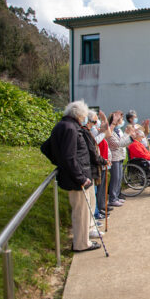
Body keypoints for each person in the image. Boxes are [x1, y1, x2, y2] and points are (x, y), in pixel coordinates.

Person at [41, 100, 99, 252]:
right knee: (81, 213)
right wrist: (80, 177)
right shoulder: (71, 128)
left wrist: (58, 161)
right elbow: (69, 157)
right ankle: (81, 244)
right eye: (85, 116)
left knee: (81, 211)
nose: (85, 119)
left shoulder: (62, 125)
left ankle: (82, 241)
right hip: (77, 179)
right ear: (79, 115)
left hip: (74, 176)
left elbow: (46, 147)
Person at [81, 110, 110, 233]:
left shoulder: (88, 132)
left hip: (93, 167)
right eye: (93, 122)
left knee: (93, 196)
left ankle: (93, 221)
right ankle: (91, 223)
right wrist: (103, 161)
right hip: (89, 168)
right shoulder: (86, 132)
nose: (94, 124)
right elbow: (93, 150)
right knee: (91, 197)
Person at [106, 111, 134, 207]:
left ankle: (117, 196)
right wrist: (130, 137)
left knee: (119, 178)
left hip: (120, 156)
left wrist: (128, 136)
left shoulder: (119, 131)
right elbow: (118, 144)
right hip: (114, 158)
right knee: (115, 178)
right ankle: (112, 198)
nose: (122, 121)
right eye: (121, 120)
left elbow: (122, 141)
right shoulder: (110, 132)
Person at [91, 110, 114, 218]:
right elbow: (95, 142)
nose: (98, 123)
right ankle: (99, 209)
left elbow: (107, 133)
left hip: (104, 161)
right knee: (98, 188)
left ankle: (101, 207)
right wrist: (106, 120)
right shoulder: (92, 132)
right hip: (99, 163)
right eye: (96, 121)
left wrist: (105, 119)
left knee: (102, 188)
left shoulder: (96, 129)